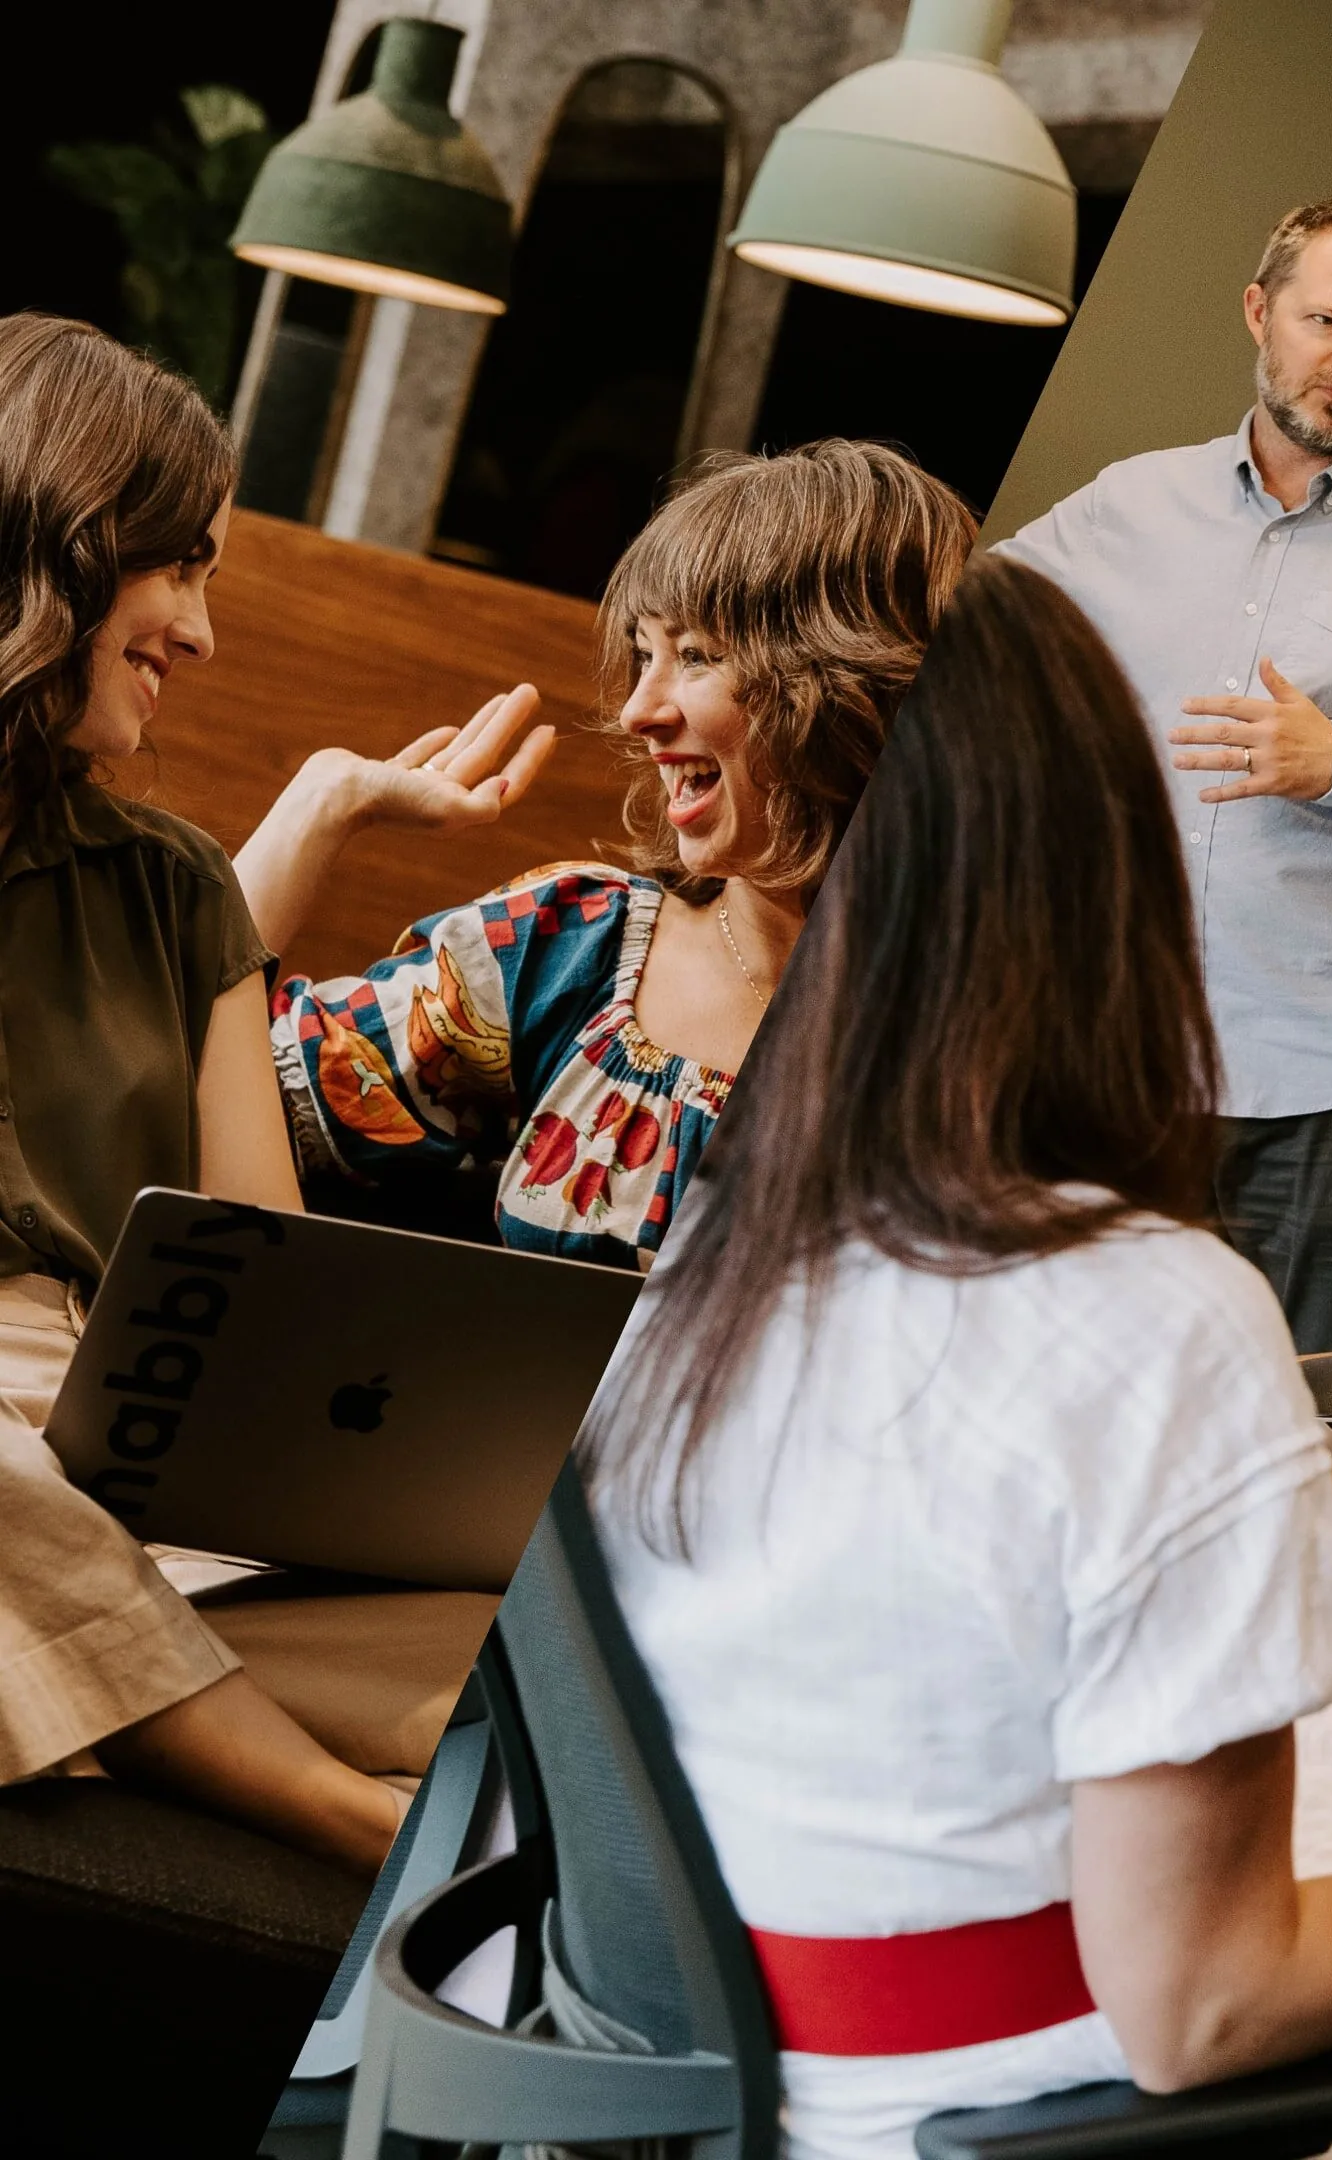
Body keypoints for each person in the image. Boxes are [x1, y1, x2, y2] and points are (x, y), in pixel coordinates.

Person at [579, 556, 1332, 2160]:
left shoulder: (710, 1248)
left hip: (663, 2083)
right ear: (1108, 871)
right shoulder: (1159, 1319)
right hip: (971, 2111)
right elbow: (1206, 2010)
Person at [0, 313, 410, 1874]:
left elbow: (266, 1294)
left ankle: (119, 1695)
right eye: (177, 566)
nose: (203, 629)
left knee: (489, 1644)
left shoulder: (175, 892)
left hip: (118, 1459)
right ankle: (331, 1809)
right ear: (55, 543)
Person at [242, 441, 976, 1268]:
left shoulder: (1010, 1023)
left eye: (695, 655)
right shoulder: (565, 947)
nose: (637, 710)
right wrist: (321, 802)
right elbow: (205, 1084)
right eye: (643, 653)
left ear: (849, 684)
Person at [997, 196, 1332, 1354]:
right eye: (1326, 319)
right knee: (1098, 1400)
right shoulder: (1128, 505)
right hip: (1124, 1063)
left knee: (1327, 1440)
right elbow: (955, 632)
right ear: (1259, 313)